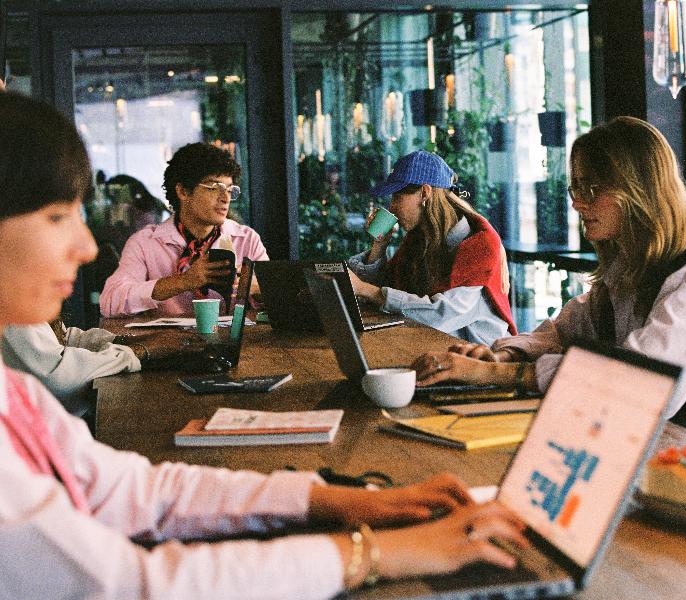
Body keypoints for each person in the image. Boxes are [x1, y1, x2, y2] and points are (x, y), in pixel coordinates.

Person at [0, 91, 530, 598]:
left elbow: (136, 490)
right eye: (57, 217)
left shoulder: (14, 396)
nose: (87, 245)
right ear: (182, 193)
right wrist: (376, 552)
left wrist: (330, 499)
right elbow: (137, 584)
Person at [413, 116, 686, 459]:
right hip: (640, 454)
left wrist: (495, 374)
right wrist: (505, 356)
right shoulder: (622, 273)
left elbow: (639, 386)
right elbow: (562, 332)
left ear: (639, 191)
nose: (576, 203)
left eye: (591, 189)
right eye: (576, 188)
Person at [348, 150, 517, 345]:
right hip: (434, 348)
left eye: (397, 197)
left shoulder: (481, 245)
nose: (392, 207)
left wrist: (366, 290)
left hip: (481, 357)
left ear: (424, 193)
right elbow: (387, 291)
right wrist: (379, 246)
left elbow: (440, 315)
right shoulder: (419, 240)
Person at [99, 142, 269, 317]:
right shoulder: (145, 243)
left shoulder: (246, 239)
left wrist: (257, 289)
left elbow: (276, 302)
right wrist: (183, 281)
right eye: (214, 188)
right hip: (167, 336)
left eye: (229, 189)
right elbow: (110, 302)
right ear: (183, 191)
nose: (225, 198)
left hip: (231, 335)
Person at [2, 321, 145, 417]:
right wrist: (137, 351)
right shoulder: (12, 308)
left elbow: (62, 337)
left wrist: (121, 341)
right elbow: (59, 375)